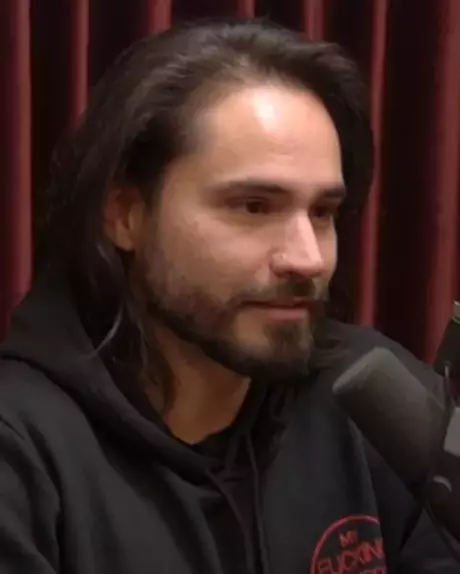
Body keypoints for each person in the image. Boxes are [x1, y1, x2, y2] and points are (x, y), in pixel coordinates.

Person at [0, 18, 457, 574]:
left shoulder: (372, 396)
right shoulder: (21, 449)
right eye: (254, 207)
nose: (308, 258)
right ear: (124, 215)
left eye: (323, 213)